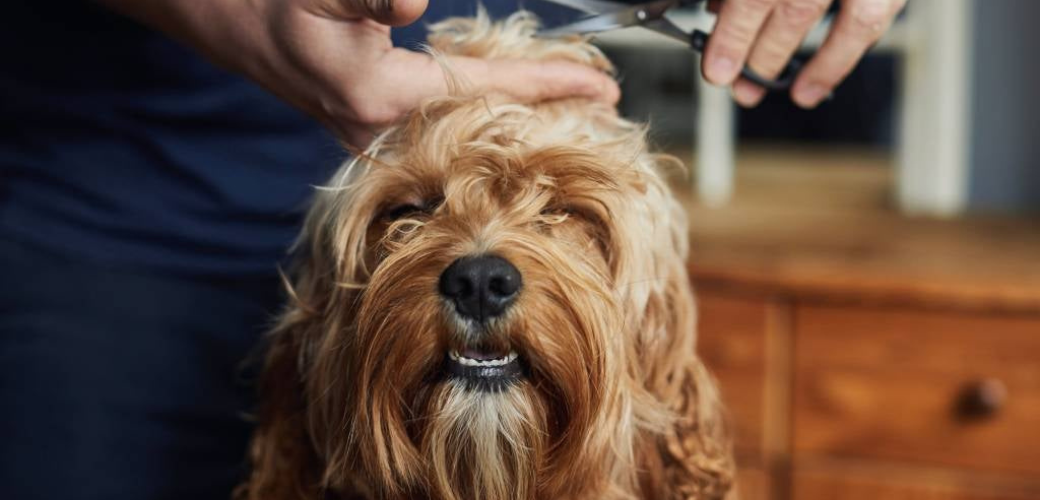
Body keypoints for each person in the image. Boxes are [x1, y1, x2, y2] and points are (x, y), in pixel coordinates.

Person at [0, 1, 904, 499]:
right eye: (412, 215)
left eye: (563, 216)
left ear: (657, 360)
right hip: (118, 210)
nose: (484, 257)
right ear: (304, 362)